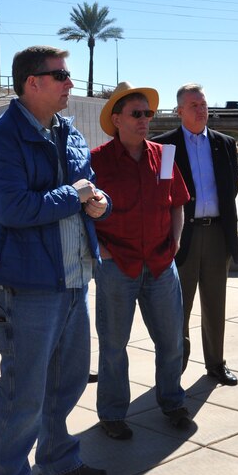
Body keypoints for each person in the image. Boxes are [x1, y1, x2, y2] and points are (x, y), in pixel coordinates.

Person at [0, 45, 110, 475]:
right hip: (28, 285)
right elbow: (13, 209)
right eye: (61, 76)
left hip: (74, 278)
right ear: (33, 82)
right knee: (22, 391)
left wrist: (100, 204)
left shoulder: (67, 132)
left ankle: (56, 460)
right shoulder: (1, 140)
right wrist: (75, 196)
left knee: (69, 380)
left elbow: (90, 187)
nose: (70, 83)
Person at [91, 82, 192, 441]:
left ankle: (172, 401)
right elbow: (83, 210)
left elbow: (177, 201)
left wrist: (177, 239)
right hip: (118, 265)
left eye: (148, 113)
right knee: (114, 345)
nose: (145, 120)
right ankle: (113, 413)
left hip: (163, 264)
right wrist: (100, 249)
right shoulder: (97, 160)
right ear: (116, 119)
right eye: (137, 114)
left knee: (171, 341)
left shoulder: (163, 156)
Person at [152, 83, 238, 386]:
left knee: (215, 304)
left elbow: (231, 190)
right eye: (193, 105)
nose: (201, 110)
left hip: (217, 234)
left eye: (203, 104)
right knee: (179, 308)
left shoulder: (225, 143)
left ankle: (216, 363)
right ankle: (176, 367)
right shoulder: (164, 147)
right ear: (179, 111)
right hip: (182, 237)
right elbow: (161, 191)